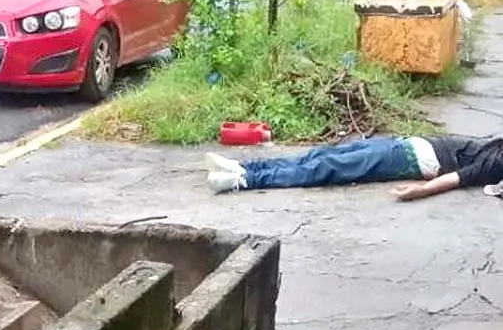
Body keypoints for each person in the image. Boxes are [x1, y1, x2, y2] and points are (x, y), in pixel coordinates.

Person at [204, 135, 503, 202]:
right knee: (325, 153)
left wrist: (419, 191)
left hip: (418, 161)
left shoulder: (499, 163)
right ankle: (245, 167)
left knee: (329, 166)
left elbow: (460, 177)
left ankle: (242, 180)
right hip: (413, 143)